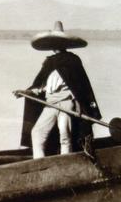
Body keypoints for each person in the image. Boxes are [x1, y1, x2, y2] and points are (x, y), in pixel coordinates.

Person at [13, 21, 101, 158]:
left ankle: (65, 163)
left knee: (65, 135)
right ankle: (39, 164)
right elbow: (40, 87)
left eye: (57, 42)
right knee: (37, 132)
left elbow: (80, 87)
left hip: (66, 104)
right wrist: (25, 92)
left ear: (63, 44)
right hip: (50, 105)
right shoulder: (49, 62)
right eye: (52, 43)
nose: (54, 46)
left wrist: (79, 105)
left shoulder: (73, 61)